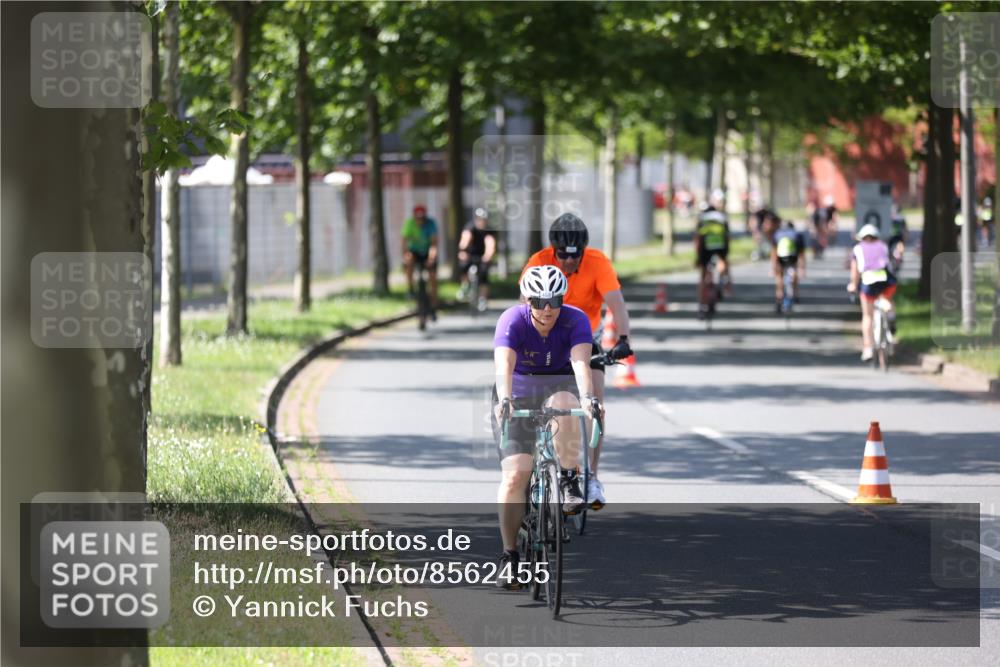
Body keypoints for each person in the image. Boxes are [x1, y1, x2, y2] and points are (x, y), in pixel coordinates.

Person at [492, 265, 602, 589]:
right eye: (539, 301)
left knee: (567, 403)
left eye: (554, 300)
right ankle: (510, 555)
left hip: (559, 388)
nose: (547, 309)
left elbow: (581, 363)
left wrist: (589, 399)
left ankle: (568, 478)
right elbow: (504, 366)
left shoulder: (575, 319)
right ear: (528, 300)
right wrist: (505, 400)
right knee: (515, 474)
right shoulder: (511, 320)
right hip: (518, 391)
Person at [522, 213, 632, 511]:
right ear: (552, 250)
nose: (569, 263)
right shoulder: (539, 260)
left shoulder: (598, 262)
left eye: (575, 257)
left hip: (585, 337)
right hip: (545, 335)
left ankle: (591, 477)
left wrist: (623, 339)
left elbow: (617, 304)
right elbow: (524, 306)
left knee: (595, 402)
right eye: (563, 256)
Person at [847, 224, 897, 362]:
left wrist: (853, 285)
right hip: (885, 280)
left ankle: (868, 348)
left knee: (867, 316)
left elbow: (855, 270)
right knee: (886, 299)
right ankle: (891, 319)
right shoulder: (883, 246)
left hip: (868, 282)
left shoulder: (858, 249)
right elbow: (890, 264)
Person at [694, 194, 732, 318]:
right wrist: (726, 255)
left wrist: (698, 257)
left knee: (703, 275)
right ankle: (722, 280)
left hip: (705, 246)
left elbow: (698, 238)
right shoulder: (722, 217)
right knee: (722, 262)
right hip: (720, 245)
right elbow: (727, 236)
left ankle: (701, 305)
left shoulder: (702, 219)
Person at [457, 207, 497, 311]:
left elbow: (490, 243)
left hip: (483, 256)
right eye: (479, 219)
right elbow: (465, 239)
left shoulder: (489, 230)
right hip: (470, 254)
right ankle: (465, 286)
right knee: (463, 265)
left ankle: (483, 298)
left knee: (484, 273)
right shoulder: (470, 227)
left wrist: (488, 256)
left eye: (483, 219)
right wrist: (462, 250)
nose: (481, 222)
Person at [401, 205, 439, 314]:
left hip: (427, 252)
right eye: (417, 218)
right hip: (414, 251)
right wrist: (405, 254)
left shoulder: (430, 224)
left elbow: (434, 244)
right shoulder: (409, 224)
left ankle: (434, 301)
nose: (419, 220)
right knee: (408, 262)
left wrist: (431, 258)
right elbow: (404, 242)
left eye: (421, 218)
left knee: (432, 275)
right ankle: (410, 288)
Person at [771, 217, 807, 312]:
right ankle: (795, 294)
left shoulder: (777, 234)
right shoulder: (797, 235)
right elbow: (801, 254)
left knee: (779, 277)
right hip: (792, 258)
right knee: (793, 273)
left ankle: (779, 298)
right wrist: (802, 268)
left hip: (780, 258)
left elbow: (774, 252)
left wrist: (773, 267)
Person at [888, 204, 909, 272]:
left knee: (892, 251)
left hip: (893, 237)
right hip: (897, 237)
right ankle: (898, 259)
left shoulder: (889, 217)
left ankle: (895, 259)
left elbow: (905, 229)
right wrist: (905, 237)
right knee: (898, 249)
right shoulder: (901, 217)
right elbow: (905, 229)